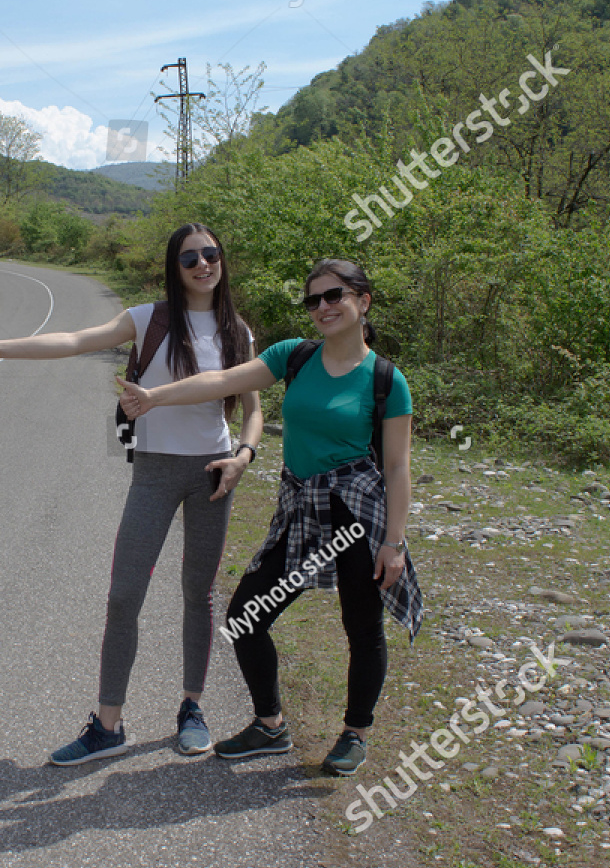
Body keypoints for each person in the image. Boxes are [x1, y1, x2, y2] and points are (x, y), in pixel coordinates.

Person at [0, 223, 263, 765]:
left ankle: (191, 707)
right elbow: (76, 340)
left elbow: (254, 410)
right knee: (124, 594)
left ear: (222, 259)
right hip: (153, 471)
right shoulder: (148, 319)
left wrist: (243, 456)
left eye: (211, 254)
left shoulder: (237, 330)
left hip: (214, 472)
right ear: (175, 267)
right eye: (189, 257)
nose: (202, 265)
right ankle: (107, 724)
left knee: (199, 592)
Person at [116, 258, 422, 776]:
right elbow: (220, 381)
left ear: (363, 302)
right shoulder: (294, 357)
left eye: (335, 296)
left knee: (361, 626)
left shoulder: (387, 380)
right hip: (300, 508)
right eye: (313, 299)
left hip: (355, 516)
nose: (323, 307)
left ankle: (355, 732)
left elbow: (396, 466)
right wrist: (153, 398)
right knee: (246, 615)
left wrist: (394, 542)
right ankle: (270, 725)